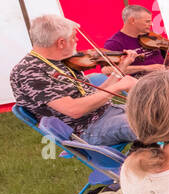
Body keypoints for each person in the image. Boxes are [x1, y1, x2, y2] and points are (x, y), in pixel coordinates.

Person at [9, 14, 139, 147]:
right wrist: (118, 87)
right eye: (73, 37)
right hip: (87, 129)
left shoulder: (62, 59)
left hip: (108, 112)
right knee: (151, 124)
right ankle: (142, 163)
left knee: (158, 112)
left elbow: (92, 96)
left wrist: (120, 69)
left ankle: (144, 159)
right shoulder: (29, 72)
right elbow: (74, 110)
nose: (77, 39)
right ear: (60, 43)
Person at [104, 4, 169, 73]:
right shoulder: (115, 43)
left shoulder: (151, 36)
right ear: (132, 20)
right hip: (142, 84)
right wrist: (145, 68)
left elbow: (166, 60)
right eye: (147, 21)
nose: (151, 24)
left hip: (165, 75)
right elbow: (106, 70)